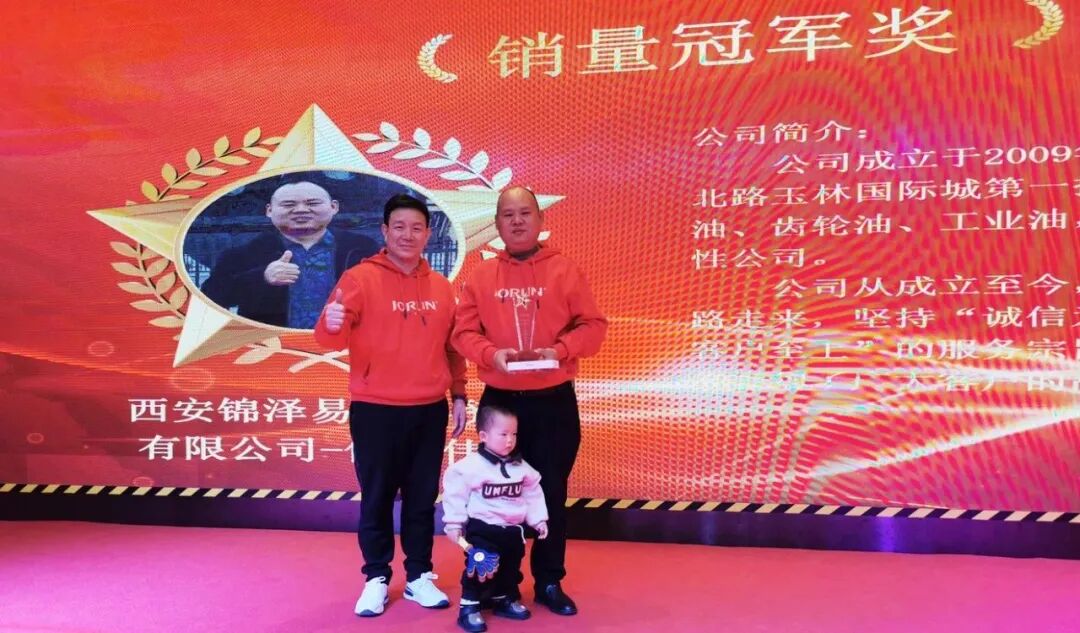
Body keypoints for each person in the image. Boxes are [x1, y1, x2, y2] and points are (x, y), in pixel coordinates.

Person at [452, 186, 607, 616]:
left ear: (540, 220)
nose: (517, 221)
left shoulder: (565, 270)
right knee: (495, 496)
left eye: (525, 213)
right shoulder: (481, 276)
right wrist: (490, 354)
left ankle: (549, 581)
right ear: (496, 224)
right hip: (502, 403)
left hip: (553, 402)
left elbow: (593, 327)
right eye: (508, 215)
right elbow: (463, 333)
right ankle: (501, 585)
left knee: (549, 494)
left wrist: (559, 350)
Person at [314, 193, 467, 617]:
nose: (407, 235)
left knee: (422, 497)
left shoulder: (441, 288)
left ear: (428, 234)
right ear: (384, 231)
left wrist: (458, 394)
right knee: (377, 497)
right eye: (399, 226)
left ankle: (419, 575)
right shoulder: (359, 279)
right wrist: (330, 323)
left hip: (429, 409)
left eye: (416, 228)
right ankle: (376, 578)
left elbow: (453, 349)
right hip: (375, 409)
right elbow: (327, 337)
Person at [202, 180, 378, 328]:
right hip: (274, 347)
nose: (301, 210)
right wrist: (262, 277)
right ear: (269, 210)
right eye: (288, 205)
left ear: (334, 207)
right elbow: (209, 299)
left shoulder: (364, 249)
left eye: (312, 203)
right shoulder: (242, 254)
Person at [442, 405, 549, 632]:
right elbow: (455, 493)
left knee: (510, 566)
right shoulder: (470, 467)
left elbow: (533, 493)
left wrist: (538, 519)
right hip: (483, 528)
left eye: (514, 434)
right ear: (483, 436)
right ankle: (469, 606)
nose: (510, 440)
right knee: (480, 565)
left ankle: (503, 599)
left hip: (513, 530)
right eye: (503, 434)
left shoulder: (521, 467)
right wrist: (454, 522)